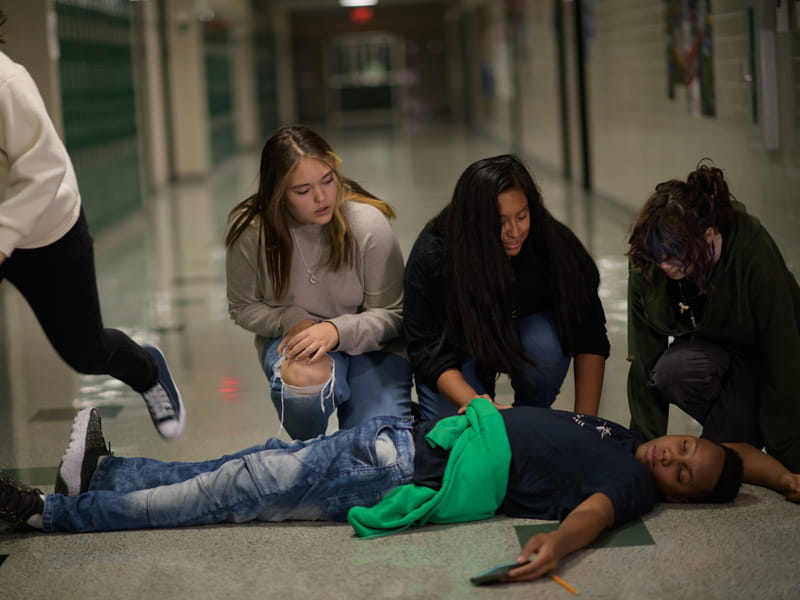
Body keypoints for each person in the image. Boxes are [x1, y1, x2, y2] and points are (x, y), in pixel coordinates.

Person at [2, 400, 798, 585]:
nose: (674, 452)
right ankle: (107, 473)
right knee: (240, 474)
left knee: (230, 491)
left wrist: (556, 546)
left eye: (682, 470)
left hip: (395, 467)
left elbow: (595, 515)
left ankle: (51, 511)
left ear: (678, 494)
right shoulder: (632, 440)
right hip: (402, 437)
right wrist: (788, 477)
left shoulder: (629, 480)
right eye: (685, 445)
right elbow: (739, 456)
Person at [0, 11, 184, 440]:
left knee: (85, 352)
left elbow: (46, 168)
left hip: (47, 232)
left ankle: (147, 370)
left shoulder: (8, 82)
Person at [225, 125, 411, 440]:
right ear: (278, 194)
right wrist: (291, 318)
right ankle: (309, 452)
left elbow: (393, 314)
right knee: (304, 393)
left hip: (374, 346)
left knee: (378, 444)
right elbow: (243, 307)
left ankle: (387, 414)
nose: (321, 197)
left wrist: (336, 331)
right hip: (299, 339)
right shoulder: (252, 234)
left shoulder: (366, 224)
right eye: (302, 190)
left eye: (328, 181)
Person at [404, 154, 609, 420]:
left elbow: (589, 332)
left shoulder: (552, 243)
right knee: (458, 431)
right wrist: (476, 404)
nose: (514, 231)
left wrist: (587, 424)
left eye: (522, 216)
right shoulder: (434, 254)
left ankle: (530, 416)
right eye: (500, 222)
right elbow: (426, 347)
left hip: (520, 334)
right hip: (455, 350)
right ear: (473, 222)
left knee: (544, 348)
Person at [627, 160, 800, 472]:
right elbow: (643, 358)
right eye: (658, 256)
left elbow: (783, 351)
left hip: (770, 356)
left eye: (677, 255)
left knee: (723, 464)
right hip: (720, 359)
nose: (666, 266)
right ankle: (742, 429)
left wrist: (786, 447)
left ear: (708, 235)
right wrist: (641, 447)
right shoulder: (650, 259)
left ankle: (758, 431)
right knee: (671, 372)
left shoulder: (752, 248)